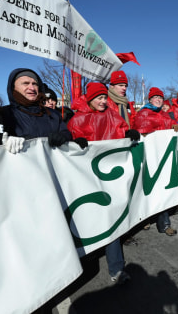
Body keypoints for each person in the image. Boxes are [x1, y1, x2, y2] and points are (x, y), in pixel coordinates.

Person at [67, 82, 139, 285]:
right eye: (98, 98)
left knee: (110, 218)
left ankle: (116, 268)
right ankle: (80, 263)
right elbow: (68, 150)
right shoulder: (77, 119)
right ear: (89, 99)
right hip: (86, 177)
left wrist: (128, 134)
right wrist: (72, 142)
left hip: (109, 175)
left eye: (104, 97)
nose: (103, 101)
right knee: (86, 219)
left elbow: (122, 130)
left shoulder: (113, 115)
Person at [133, 87, 178, 236]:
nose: (159, 100)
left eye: (161, 97)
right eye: (156, 97)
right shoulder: (143, 113)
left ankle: (165, 224)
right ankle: (144, 219)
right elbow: (141, 133)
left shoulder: (165, 115)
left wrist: (176, 125)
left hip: (163, 158)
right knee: (147, 190)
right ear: (150, 99)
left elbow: (173, 123)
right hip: (149, 158)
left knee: (162, 190)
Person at [1, 68, 77, 148]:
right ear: (13, 88)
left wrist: (64, 136)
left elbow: (66, 133)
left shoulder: (53, 114)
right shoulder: (4, 114)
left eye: (35, 84)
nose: (32, 88)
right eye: (25, 83)